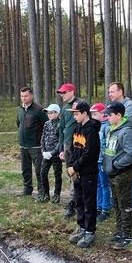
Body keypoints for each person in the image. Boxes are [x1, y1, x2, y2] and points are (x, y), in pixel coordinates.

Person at [102, 101, 132, 250]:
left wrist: (116, 165)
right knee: (116, 203)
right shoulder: (111, 129)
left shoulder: (126, 131)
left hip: (122, 174)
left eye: (110, 115)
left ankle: (127, 235)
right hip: (112, 173)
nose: (107, 117)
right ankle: (119, 231)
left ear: (118, 115)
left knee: (125, 204)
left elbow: (131, 154)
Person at [66, 101, 101, 248]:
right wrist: (72, 167)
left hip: (88, 173)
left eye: (76, 113)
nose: (74, 116)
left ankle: (90, 231)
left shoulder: (91, 131)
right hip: (77, 172)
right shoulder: (76, 129)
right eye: (73, 113)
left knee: (89, 202)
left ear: (84, 113)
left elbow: (89, 154)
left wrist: (76, 166)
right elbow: (74, 150)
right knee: (79, 200)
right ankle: (81, 227)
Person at [107, 82, 132, 210]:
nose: (110, 94)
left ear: (120, 92)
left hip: (126, 144)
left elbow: (122, 122)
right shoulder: (111, 105)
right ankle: (117, 203)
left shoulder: (129, 106)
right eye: (109, 92)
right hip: (114, 144)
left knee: (128, 175)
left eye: (112, 92)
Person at [56, 83, 83, 218]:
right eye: (61, 93)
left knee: (79, 172)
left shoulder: (81, 105)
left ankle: (76, 201)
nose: (62, 95)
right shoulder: (65, 108)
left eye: (64, 92)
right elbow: (61, 129)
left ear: (72, 92)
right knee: (71, 172)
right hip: (67, 145)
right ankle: (74, 200)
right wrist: (61, 148)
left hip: (79, 144)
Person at [16, 87, 48, 197]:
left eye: (26, 96)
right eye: (22, 96)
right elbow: (18, 124)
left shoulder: (39, 109)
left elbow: (46, 125)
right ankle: (27, 189)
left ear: (31, 96)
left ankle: (42, 191)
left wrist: (43, 141)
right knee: (25, 169)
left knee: (39, 169)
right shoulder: (20, 109)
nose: (24, 98)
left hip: (36, 146)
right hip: (23, 145)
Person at [90, 103, 111, 222]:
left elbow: (107, 145)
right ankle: (98, 206)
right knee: (97, 184)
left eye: (95, 114)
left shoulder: (106, 127)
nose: (93, 116)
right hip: (95, 161)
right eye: (91, 114)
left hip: (103, 161)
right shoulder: (94, 127)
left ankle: (105, 208)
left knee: (104, 184)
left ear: (103, 114)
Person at [39, 103, 63, 203]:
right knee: (43, 173)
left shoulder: (61, 124)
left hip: (56, 155)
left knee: (57, 175)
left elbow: (61, 140)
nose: (49, 114)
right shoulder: (47, 124)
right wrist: (43, 151)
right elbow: (43, 137)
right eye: (48, 113)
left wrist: (52, 153)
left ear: (57, 113)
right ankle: (45, 194)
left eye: (51, 113)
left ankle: (57, 195)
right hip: (46, 154)